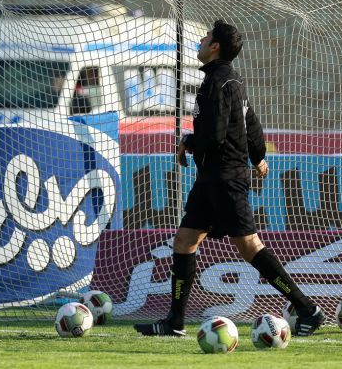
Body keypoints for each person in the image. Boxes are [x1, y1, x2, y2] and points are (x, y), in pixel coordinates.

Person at [133, 20, 325, 337]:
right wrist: (258, 155)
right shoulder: (230, 80)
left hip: (225, 179)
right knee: (184, 241)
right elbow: (251, 122)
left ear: (215, 47)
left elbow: (216, 134)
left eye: (206, 36)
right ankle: (175, 322)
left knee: (249, 247)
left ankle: (308, 309)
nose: (201, 39)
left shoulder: (217, 83)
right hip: (210, 178)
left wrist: (189, 142)